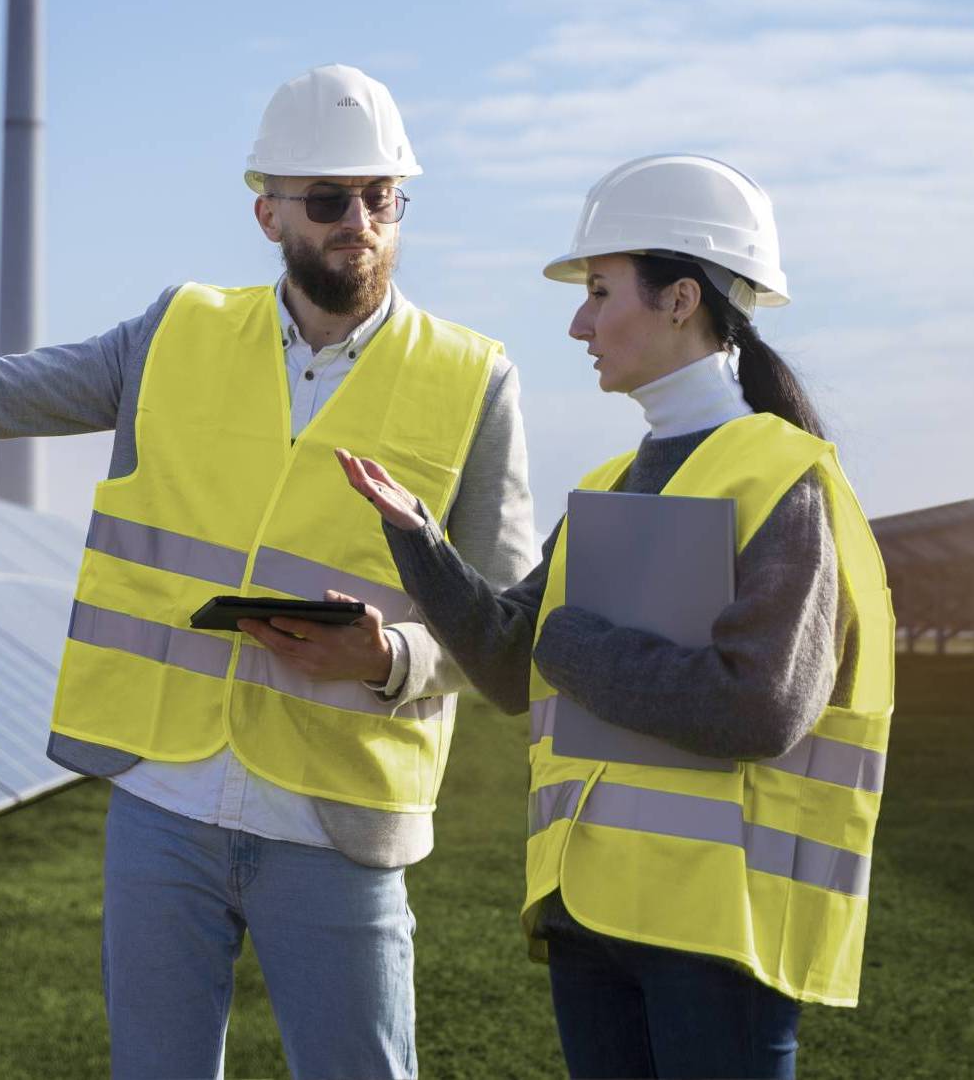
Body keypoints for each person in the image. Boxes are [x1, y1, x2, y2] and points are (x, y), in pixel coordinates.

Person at [0, 62, 535, 1080]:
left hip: (339, 821)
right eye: (328, 201)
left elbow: (505, 628)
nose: (358, 222)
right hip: (163, 802)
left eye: (381, 198)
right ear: (268, 212)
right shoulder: (174, 331)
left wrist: (391, 659)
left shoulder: (471, 378)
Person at [337, 153, 894, 1080]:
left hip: (719, 933)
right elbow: (516, 666)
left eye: (600, 291)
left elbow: (757, 706)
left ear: (681, 299)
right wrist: (422, 544)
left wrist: (570, 641)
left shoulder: (783, 479)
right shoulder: (606, 483)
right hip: (589, 912)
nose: (579, 321)